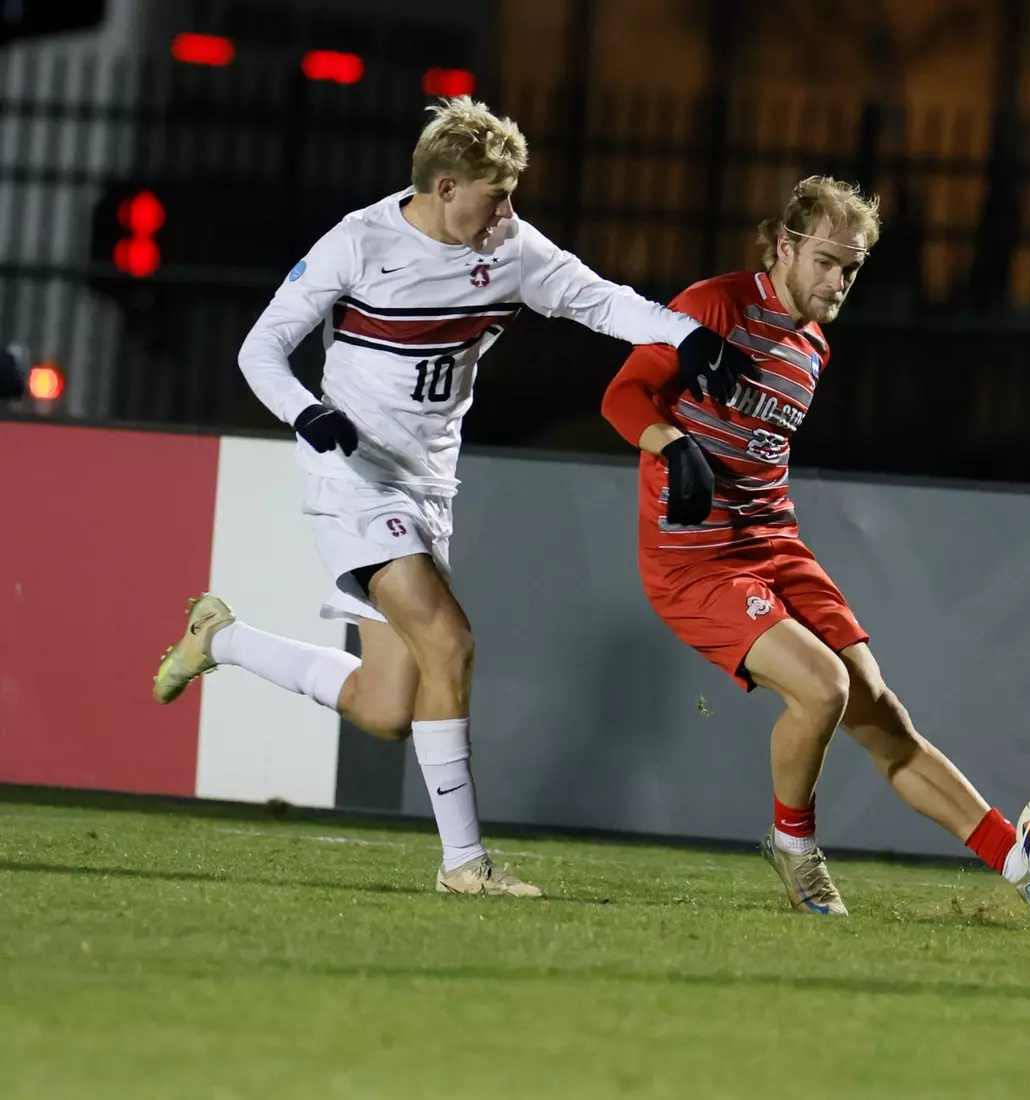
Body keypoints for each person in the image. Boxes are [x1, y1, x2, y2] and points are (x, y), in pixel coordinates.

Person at [151, 96, 755, 897]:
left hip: (430, 488)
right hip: (354, 479)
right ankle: (464, 865)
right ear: (444, 186)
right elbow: (261, 347)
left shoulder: (510, 246)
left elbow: (600, 298)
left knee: (385, 706)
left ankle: (220, 640)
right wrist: (310, 412)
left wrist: (686, 336)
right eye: (494, 196)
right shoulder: (360, 241)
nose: (507, 213)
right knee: (451, 643)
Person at [600, 176, 1030, 915]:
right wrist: (669, 443)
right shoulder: (715, 305)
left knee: (879, 713)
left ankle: (1020, 863)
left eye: (854, 267)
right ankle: (795, 850)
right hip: (694, 561)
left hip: (776, 545)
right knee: (823, 688)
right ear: (783, 246)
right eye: (827, 261)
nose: (840, 280)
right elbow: (622, 395)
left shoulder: (814, 347)